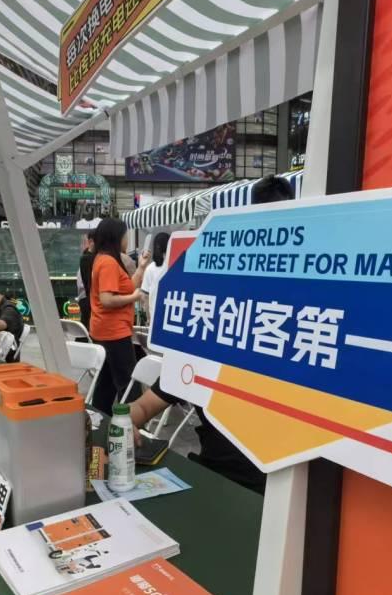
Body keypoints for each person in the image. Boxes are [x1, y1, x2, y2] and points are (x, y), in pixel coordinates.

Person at [126, 175, 296, 494]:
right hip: (213, 478)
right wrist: (124, 422)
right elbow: (145, 407)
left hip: (272, 491)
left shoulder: (296, 349)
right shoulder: (206, 342)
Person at [89, 218, 149, 415]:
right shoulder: (108, 262)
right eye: (125, 236)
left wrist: (141, 267)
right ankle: (133, 423)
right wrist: (134, 297)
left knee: (106, 383)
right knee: (128, 383)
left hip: (105, 330)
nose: (126, 240)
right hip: (114, 332)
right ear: (116, 237)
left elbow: (128, 286)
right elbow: (107, 299)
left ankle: (99, 419)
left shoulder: (104, 259)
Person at [139, 232, 170, 325]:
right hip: (172, 315)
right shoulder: (174, 265)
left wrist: (148, 318)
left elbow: (145, 296)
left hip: (155, 317)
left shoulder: (150, 268)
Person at [77, 229, 96, 334]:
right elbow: (89, 285)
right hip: (87, 300)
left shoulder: (86, 258)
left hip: (86, 299)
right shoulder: (87, 259)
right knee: (87, 328)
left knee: (85, 329)